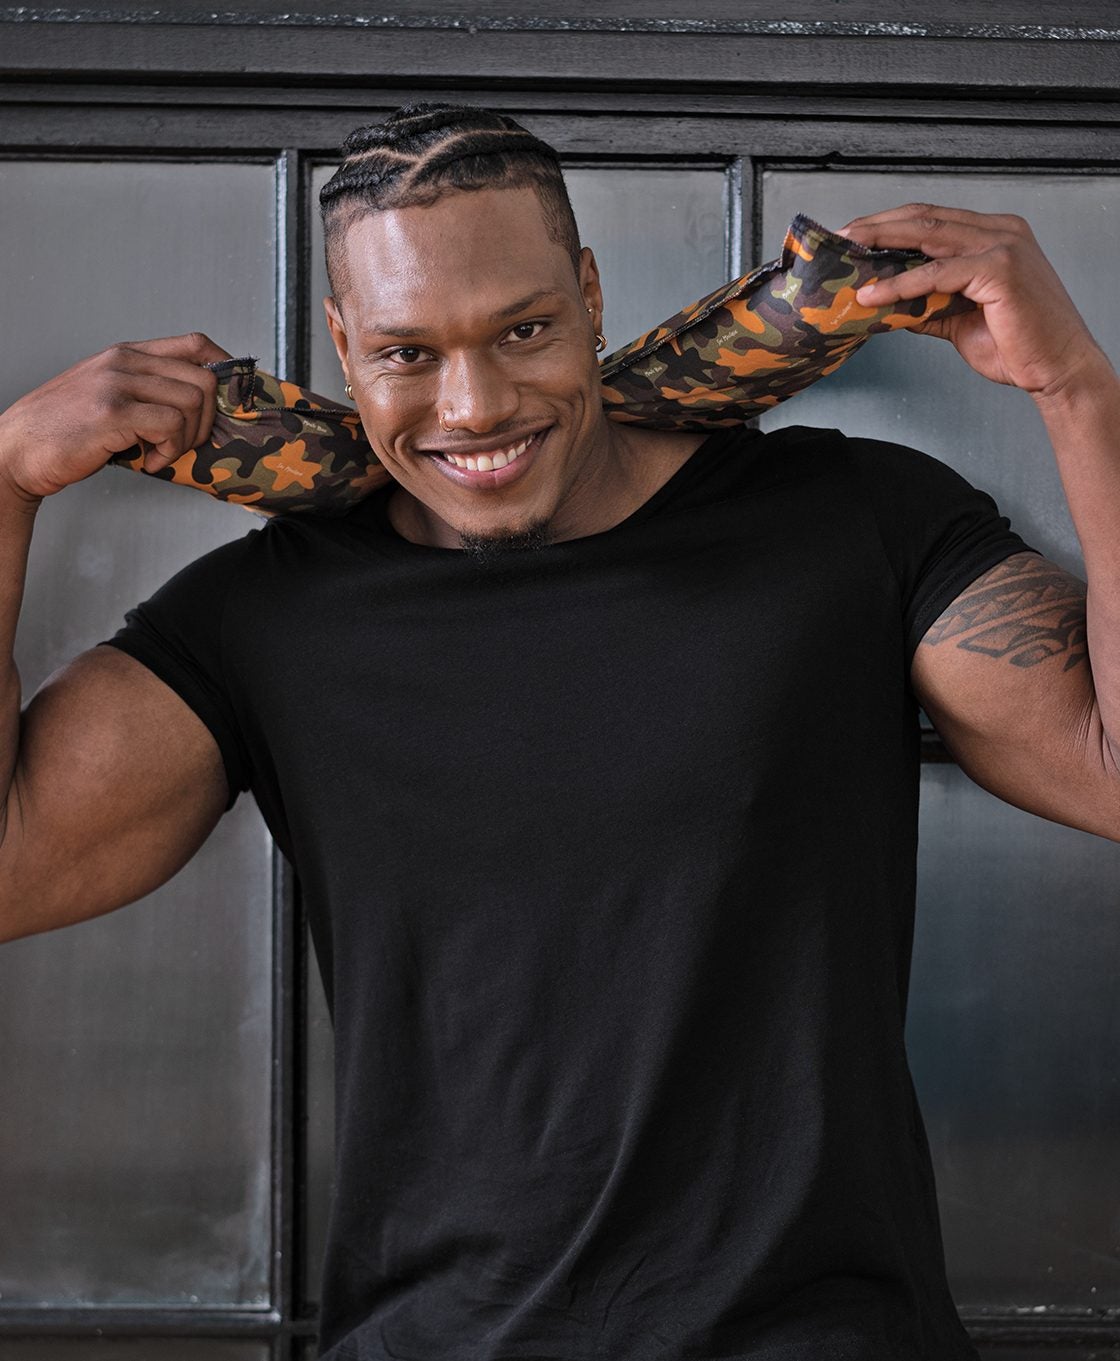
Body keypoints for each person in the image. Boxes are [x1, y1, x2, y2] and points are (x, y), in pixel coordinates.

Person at [0, 102, 1115, 1361]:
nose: (473, 405)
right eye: (407, 353)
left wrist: (1074, 387)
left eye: (523, 330)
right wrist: (6, 478)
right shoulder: (267, 611)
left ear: (588, 293)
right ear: (343, 344)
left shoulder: (849, 518)